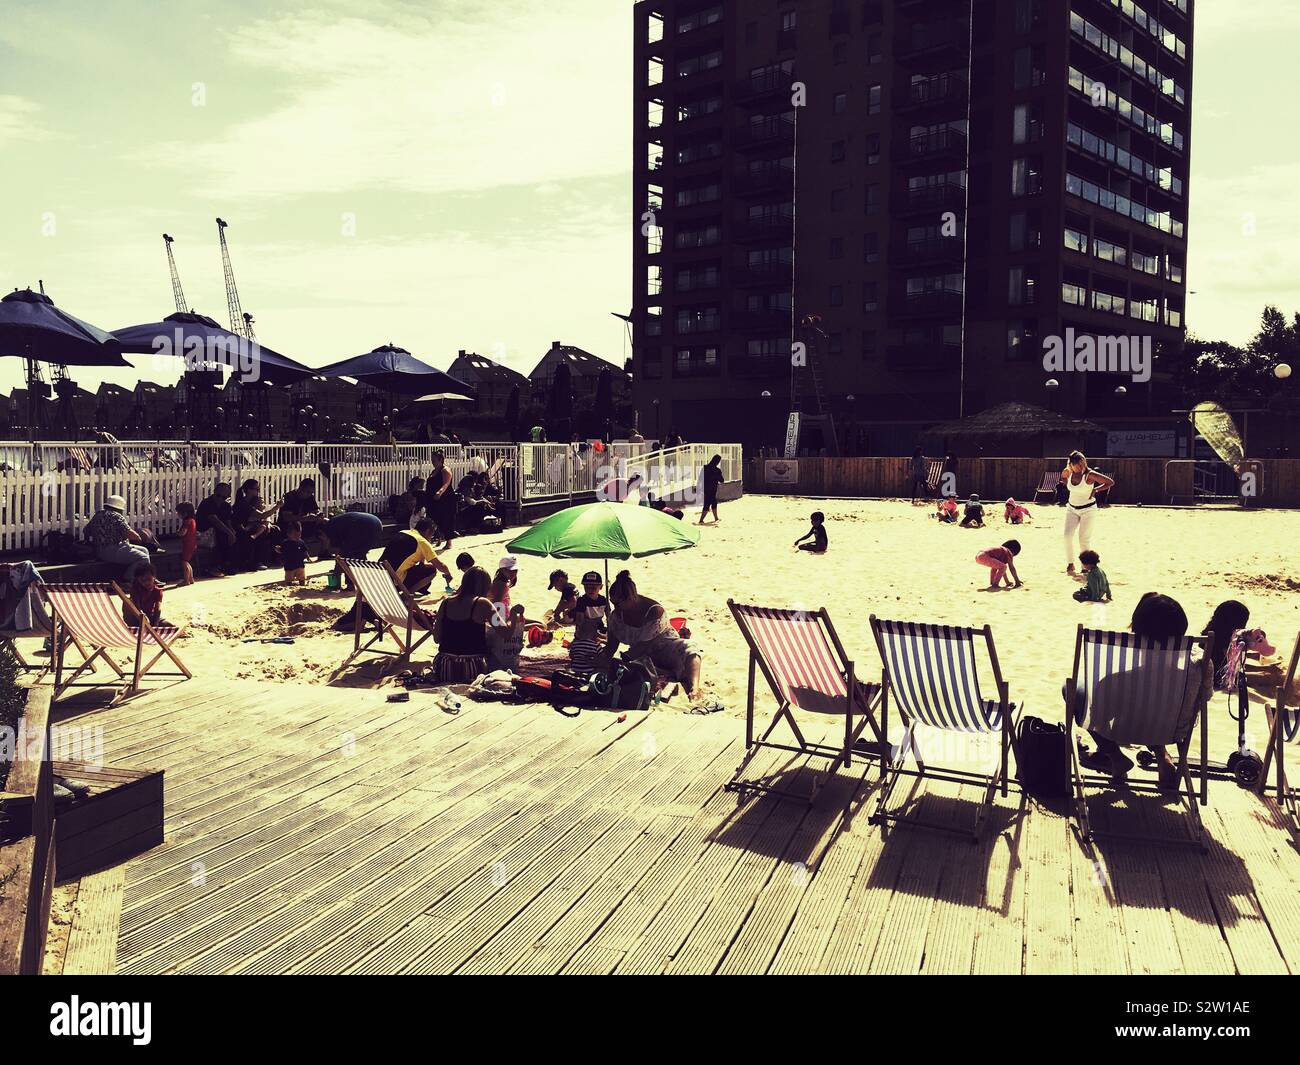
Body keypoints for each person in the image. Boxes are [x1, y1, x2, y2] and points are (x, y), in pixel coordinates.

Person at [1076, 592, 1209, 790]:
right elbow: (1204, 698)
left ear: (1137, 628)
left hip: (1121, 732)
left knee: (1071, 690)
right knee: (1159, 708)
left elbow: (1097, 717)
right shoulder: (1199, 666)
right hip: (1171, 732)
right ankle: (1162, 755)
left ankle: (1114, 757)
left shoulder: (1115, 675)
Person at [605, 570, 702, 696]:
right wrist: (603, 658)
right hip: (644, 657)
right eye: (613, 603)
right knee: (633, 669)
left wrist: (619, 660)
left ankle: (695, 688)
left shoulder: (654, 611)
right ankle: (667, 674)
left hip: (666, 648)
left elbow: (641, 646)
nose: (615, 608)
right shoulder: (616, 616)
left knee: (690, 649)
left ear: (630, 598)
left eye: (618, 603)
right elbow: (612, 645)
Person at [431, 566, 495, 683]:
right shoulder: (483, 603)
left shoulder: (445, 603)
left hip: (445, 668)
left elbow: (436, 639)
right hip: (473, 668)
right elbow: (505, 631)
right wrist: (514, 616)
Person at [1060, 451, 1115, 574]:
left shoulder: (1089, 474)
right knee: (1067, 536)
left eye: (1080, 464)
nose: (1078, 467)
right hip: (1072, 508)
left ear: (1083, 462)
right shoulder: (1068, 471)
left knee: (1083, 539)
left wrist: (1096, 489)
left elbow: (1110, 482)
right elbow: (1064, 479)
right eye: (1074, 465)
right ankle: (1070, 563)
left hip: (1088, 510)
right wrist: (1065, 479)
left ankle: (1085, 567)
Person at [84, 495, 152, 583]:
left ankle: (148, 577)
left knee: (145, 550)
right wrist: (140, 537)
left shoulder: (98, 515)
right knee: (143, 557)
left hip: (99, 551)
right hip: (113, 550)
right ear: (119, 509)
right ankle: (128, 579)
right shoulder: (116, 516)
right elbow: (133, 536)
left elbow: (86, 531)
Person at [196, 483, 238, 576]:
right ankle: (216, 566)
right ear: (214, 492)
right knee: (222, 534)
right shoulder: (207, 503)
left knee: (236, 534)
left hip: (217, 531)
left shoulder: (226, 506)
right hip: (203, 533)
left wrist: (232, 532)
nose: (220, 499)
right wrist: (229, 533)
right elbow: (215, 521)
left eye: (223, 497)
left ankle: (230, 563)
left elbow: (228, 521)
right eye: (218, 495)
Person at [423, 452, 457, 548]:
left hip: (445, 500)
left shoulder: (445, 470)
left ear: (440, 460)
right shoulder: (434, 471)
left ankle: (449, 542)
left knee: (446, 520)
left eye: (434, 460)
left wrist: (439, 492)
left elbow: (446, 484)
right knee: (432, 520)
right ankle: (436, 538)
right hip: (432, 500)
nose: (432, 462)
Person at [276, 521, 311, 585]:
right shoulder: (285, 543)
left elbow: (304, 550)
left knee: (301, 576)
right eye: (295, 535)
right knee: (289, 577)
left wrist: (307, 556)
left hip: (300, 564)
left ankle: (302, 583)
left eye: (299, 534)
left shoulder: (301, 542)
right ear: (288, 534)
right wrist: (278, 550)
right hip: (289, 564)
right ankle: (289, 583)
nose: (298, 537)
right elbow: (281, 551)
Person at [697, 454, 724, 525]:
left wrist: (698, 487)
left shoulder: (705, 467)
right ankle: (701, 520)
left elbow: (700, 479)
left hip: (705, 488)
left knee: (710, 503)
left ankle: (715, 518)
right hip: (713, 489)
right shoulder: (717, 470)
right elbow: (722, 480)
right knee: (710, 503)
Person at [176, 501, 197, 586]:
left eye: (179, 513)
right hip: (192, 543)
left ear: (184, 513)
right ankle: (191, 578)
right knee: (187, 562)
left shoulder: (186, 522)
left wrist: (178, 532)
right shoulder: (192, 520)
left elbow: (183, 532)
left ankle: (186, 580)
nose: (178, 514)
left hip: (187, 544)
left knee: (184, 562)